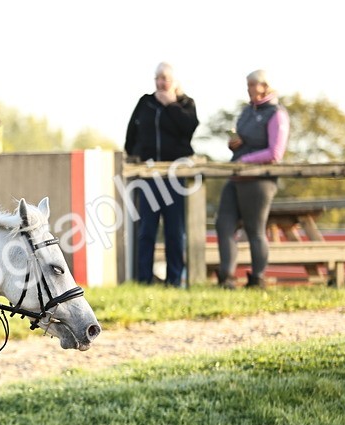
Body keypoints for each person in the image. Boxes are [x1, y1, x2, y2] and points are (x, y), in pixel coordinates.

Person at [123, 62, 199, 287]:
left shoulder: (185, 104)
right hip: (149, 175)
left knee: (175, 231)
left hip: (175, 175)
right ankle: (144, 280)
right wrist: (135, 154)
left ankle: (174, 280)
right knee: (147, 229)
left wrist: (171, 105)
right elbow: (131, 133)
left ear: (174, 81)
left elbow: (189, 128)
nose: (161, 82)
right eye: (157, 78)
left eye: (165, 78)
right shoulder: (145, 102)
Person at [215, 69, 290, 289]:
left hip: (259, 180)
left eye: (252, 85)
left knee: (254, 229)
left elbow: (275, 153)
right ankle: (226, 277)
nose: (248, 89)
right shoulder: (247, 111)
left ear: (264, 86)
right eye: (247, 85)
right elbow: (241, 139)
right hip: (236, 176)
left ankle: (258, 278)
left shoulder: (277, 114)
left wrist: (246, 160)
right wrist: (234, 143)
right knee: (223, 224)